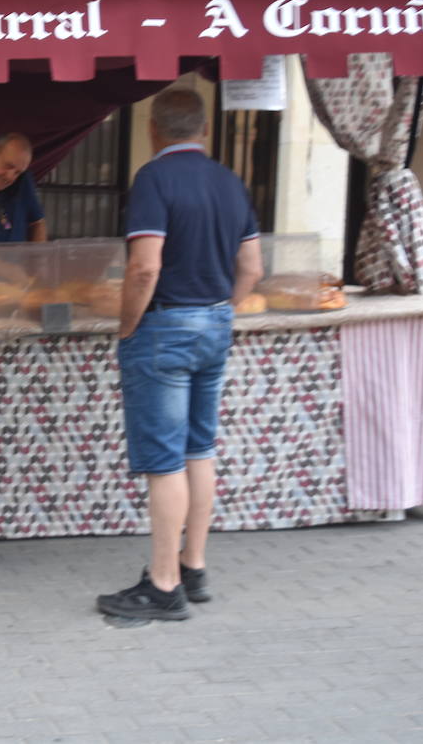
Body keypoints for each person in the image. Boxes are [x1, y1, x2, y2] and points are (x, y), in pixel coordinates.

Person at [96, 87, 263, 622]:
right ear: (204, 130)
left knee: (164, 460)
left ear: (152, 130)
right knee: (199, 449)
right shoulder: (229, 181)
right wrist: (220, 311)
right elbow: (253, 268)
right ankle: (193, 566)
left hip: (165, 326)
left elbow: (144, 267)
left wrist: (127, 326)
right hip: (215, 323)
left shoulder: (153, 180)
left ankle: (164, 587)